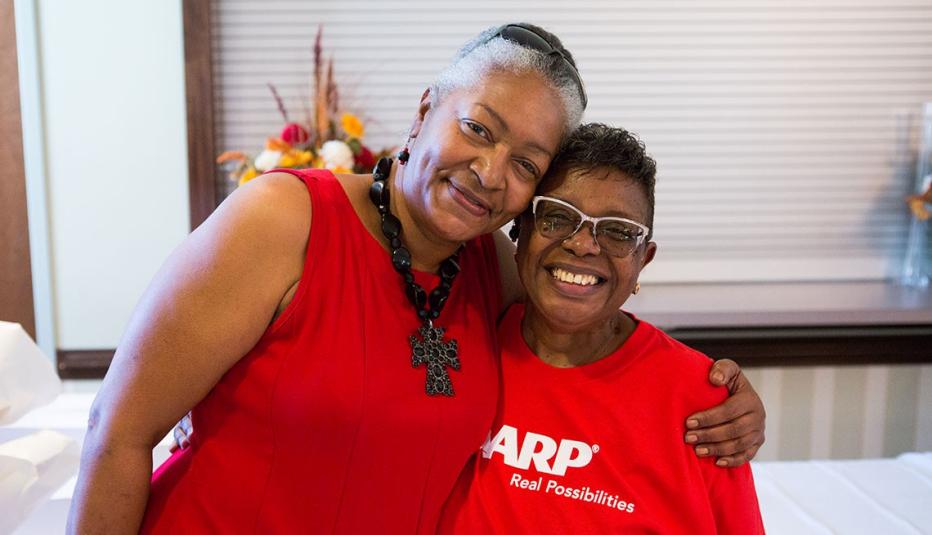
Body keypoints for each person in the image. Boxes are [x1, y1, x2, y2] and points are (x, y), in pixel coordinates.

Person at [68, 24, 764, 534]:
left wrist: (720, 391)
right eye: (478, 128)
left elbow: (587, 299)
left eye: (527, 163)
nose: (491, 172)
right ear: (425, 109)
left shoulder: (490, 268)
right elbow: (116, 433)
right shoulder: (284, 219)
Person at [439, 123, 764, 533]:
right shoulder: (461, 349)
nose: (583, 244)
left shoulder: (702, 404)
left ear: (643, 261)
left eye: (617, 231)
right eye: (558, 218)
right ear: (519, 233)